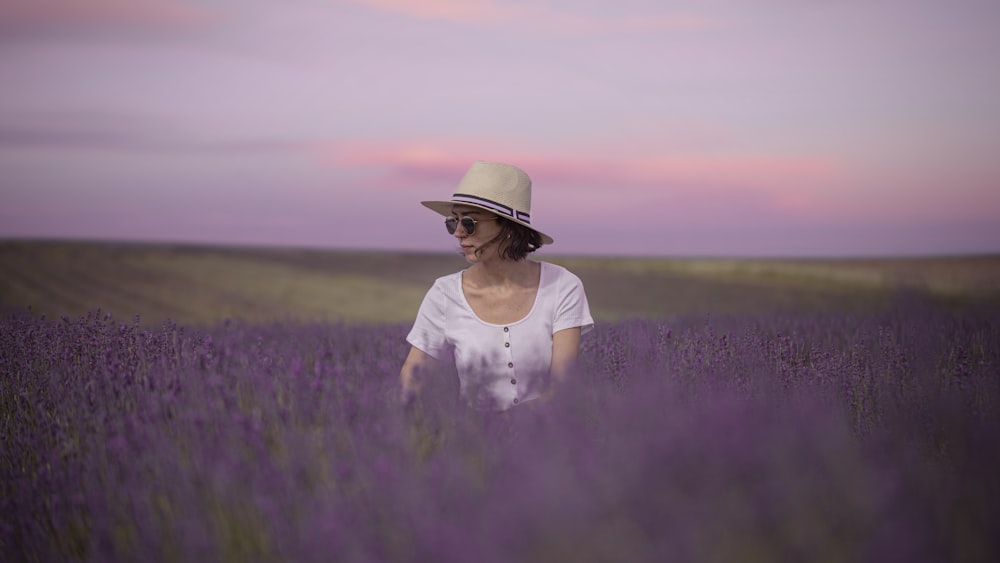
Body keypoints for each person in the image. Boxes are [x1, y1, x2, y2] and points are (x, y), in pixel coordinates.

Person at [400, 160, 594, 411]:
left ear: (509, 228)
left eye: (469, 222)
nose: (459, 232)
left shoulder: (562, 286)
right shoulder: (444, 293)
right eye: (453, 221)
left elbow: (562, 388)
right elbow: (413, 376)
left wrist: (507, 426)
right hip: (473, 444)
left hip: (547, 440)